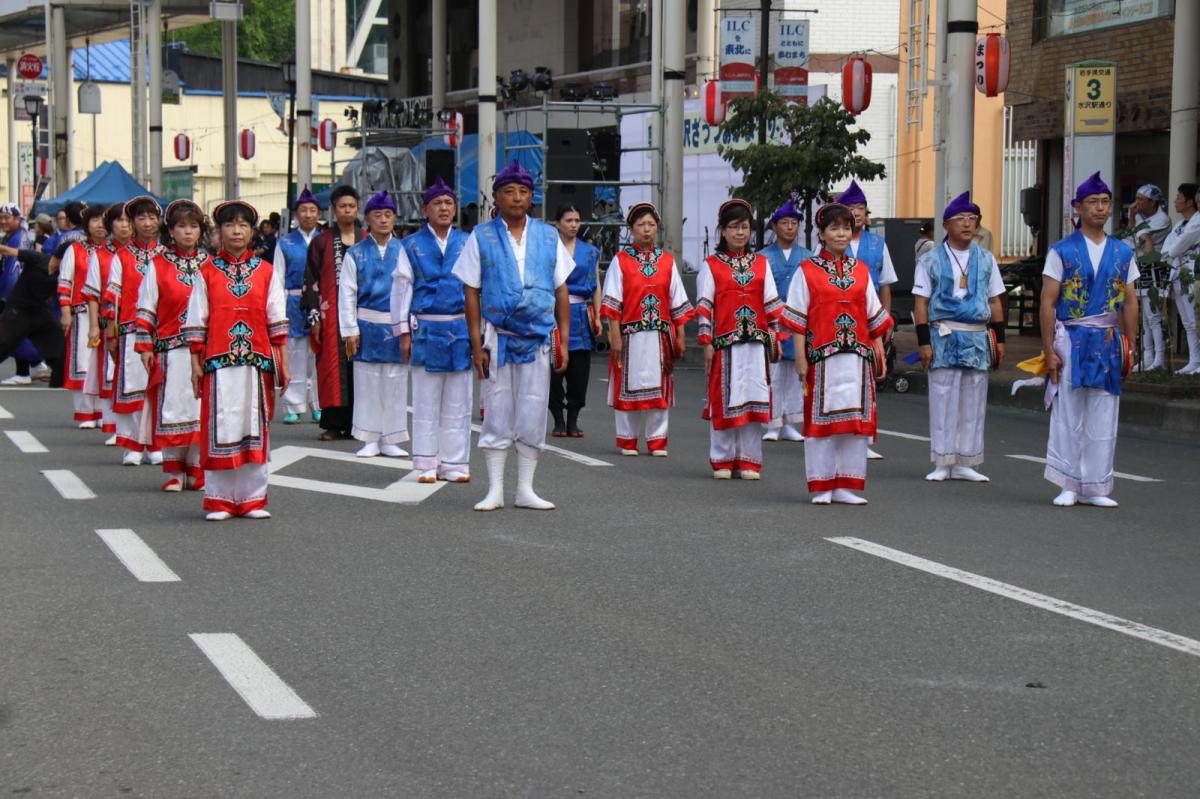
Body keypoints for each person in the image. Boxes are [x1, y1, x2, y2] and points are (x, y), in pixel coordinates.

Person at [452, 160, 573, 511]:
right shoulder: (482, 236)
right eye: (509, 192)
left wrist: (562, 338)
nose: (517, 198)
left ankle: (526, 489)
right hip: (499, 337)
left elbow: (561, 289)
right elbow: (471, 291)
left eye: (523, 192)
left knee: (534, 410)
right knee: (498, 410)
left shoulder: (549, 236)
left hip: (537, 337)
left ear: (531, 197)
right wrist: (477, 345)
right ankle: (495, 489)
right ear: (497, 197)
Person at [781, 202, 893, 504]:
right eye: (834, 228)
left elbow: (873, 316)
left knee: (854, 422)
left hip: (857, 358)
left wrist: (878, 352)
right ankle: (821, 484)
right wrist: (801, 358)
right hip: (822, 357)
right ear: (821, 233)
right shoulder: (807, 271)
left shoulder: (861, 271)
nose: (842, 233)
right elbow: (798, 319)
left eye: (846, 227)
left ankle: (846, 484)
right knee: (822, 422)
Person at [184, 200, 289, 521]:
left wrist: (284, 363)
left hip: (257, 361)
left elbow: (277, 318)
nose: (236, 231)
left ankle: (252, 498)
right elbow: (196, 318)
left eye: (243, 225)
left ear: (252, 231)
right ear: (219, 232)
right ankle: (219, 499)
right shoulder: (207, 272)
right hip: (218, 360)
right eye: (230, 225)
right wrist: (194, 363)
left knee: (253, 424)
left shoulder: (266, 272)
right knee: (222, 424)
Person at [1040, 172, 1139, 507]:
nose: (1100, 208)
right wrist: (1048, 350)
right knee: (1069, 410)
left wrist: (1131, 344)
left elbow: (1130, 300)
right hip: (1072, 336)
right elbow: (1047, 302)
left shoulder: (1123, 252)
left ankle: (1096, 484)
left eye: (1105, 202)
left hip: (1109, 340)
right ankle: (1068, 481)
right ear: (1078, 208)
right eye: (1093, 202)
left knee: (1104, 411)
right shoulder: (1062, 251)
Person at [913, 192, 1007, 482]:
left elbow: (995, 300)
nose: (967, 224)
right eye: (960, 219)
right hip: (944, 333)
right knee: (943, 396)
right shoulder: (930, 260)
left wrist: (1000, 339)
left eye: (972, 219)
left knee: (974, 399)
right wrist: (923, 342)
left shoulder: (987, 259)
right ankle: (943, 460)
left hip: (977, 336)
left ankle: (967, 460)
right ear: (946, 225)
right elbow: (921, 303)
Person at [390, 177, 472, 483]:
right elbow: (401, 289)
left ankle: (455, 462)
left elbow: (478, 287)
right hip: (426, 328)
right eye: (437, 203)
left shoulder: (467, 241)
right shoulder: (410, 244)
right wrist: (403, 334)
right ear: (426, 209)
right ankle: (426, 462)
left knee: (459, 400)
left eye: (449, 203)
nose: (444, 208)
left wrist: (481, 334)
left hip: (461, 328)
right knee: (425, 399)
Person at [697, 198, 783, 479]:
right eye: (733, 227)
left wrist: (778, 336)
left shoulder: (761, 264)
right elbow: (704, 306)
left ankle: (749, 460)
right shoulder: (711, 266)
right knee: (724, 398)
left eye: (744, 227)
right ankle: (722, 459)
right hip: (725, 344)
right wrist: (706, 342)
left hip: (756, 344)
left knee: (753, 399)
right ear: (722, 230)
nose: (739, 233)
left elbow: (772, 304)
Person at [601, 202, 693, 456]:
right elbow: (612, 302)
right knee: (627, 385)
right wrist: (615, 336)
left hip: (660, 337)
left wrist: (681, 336)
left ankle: (657, 440)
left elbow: (678, 302)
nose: (646, 230)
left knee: (659, 386)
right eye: (641, 225)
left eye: (651, 225)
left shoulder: (667, 261)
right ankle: (628, 439)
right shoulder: (621, 261)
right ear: (631, 229)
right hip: (630, 336)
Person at [134, 200, 207, 492]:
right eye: (181, 226)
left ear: (201, 231)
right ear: (171, 231)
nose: (188, 232)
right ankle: (175, 471)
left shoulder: (210, 265)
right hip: (170, 349)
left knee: (200, 407)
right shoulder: (158, 265)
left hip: (203, 350)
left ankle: (198, 469)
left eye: (193, 226)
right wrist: (145, 345)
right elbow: (145, 306)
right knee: (174, 408)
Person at [338, 190, 409, 458]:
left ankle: (390, 438)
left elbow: (411, 289)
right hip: (366, 322)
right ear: (367, 219)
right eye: (377, 215)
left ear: (394, 218)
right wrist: (349, 330)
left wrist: (408, 326)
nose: (383, 220)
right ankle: (369, 436)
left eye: (388, 215)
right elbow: (347, 293)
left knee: (395, 380)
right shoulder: (356, 253)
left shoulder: (404, 250)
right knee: (367, 381)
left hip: (395, 324)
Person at [836, 180, 896, 460]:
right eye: (851, 208)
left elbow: (885, 285)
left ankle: (865, 438)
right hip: (837, 324)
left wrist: (886, 321)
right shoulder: (832, 242)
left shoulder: (878, 244)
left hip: (868, 321)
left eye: (860, 208)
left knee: (868, 381)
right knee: (840, 380)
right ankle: (837, 434)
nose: (856, 213)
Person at [103, 196, 165, 465]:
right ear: (133, 222)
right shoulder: (122, 256)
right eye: (141, 218)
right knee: (133, 386)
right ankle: (134, 444)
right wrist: (110, 333)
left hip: (163, 332)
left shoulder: (166, 256)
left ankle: (156, 444)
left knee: (159, 387)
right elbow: (111, 298)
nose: (147, 223)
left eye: (152, 217)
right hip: (130, 329)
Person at [303, 185, 362, 441]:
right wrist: (315, 316)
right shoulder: (322, 242)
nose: (347, 210)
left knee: (361, 368)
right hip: (331, 316)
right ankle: (334, 423)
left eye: (351, 206)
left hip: (363, 314)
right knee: (332, 369)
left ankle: (360, 424)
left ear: (357, 209)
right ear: (334, 210)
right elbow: (311, 281)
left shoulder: (367, 238)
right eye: (342, 206)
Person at [759, 197, 813, 442]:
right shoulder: (762, 257)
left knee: (795, 372)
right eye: (785, 223)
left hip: (800, 322)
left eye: (794, 222)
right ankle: (772, 423)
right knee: (773, 373)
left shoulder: (809, 256)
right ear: (774, 226)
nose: (790, 227)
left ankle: (791, 422)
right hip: (772, 323)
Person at [549, 203, 602, 438]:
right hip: (552, 312)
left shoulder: (590, 251)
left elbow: (596, 284)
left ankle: (573, 418)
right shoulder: (548, 248)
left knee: (579, 370)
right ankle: (558, 419)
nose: (573, 225)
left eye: (577, 220)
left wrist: (598, 315)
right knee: (553, 368)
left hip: (580, 312)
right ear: (558, 223)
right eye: (568, 220)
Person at [83, 204, 132, 444]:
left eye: (127, 220)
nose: (124, 225)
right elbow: (92, 294)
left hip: (138, 325)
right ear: (110, 224)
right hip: (110, 323)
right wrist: (94, 326)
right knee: (110, 374)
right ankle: (113, 424)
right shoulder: (101, 255)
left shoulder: (145, 255)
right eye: (119, 220)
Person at [56, 204, 108, 427]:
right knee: (83, 362)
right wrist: (66, 311)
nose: (99, 225)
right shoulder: (75, 250)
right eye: (94, 220)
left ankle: (105, 412)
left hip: (108, 314)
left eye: (103, 220)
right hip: (82, 313)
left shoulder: (115, 252)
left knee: (107, 363)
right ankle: (86, 412)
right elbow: (65, 281)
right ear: (86, 224)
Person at [274, 187, 322, 423]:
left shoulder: (325, 240)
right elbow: (277, 278)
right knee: (294, 354)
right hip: (293, 302)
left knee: (319, 356)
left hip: (320, 303)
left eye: (312, 210)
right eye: (303, 210)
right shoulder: (285, 243)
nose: (308, 214)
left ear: (319, 213)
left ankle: (319, 404)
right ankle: (293, 405)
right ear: (296, 214)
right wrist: (278, 311)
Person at [0, 242, 65, 388]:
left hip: (41, 311)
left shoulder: (67, 273)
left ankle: (60, 380)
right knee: (3, 344)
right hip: (18, 310)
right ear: (60, 257)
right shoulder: (38, 258)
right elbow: (6, 250)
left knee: (59, 345)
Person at [0, 202, 51, 385]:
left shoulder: (17, 238)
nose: (3, 221)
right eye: (1, 218)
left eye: (7, 218)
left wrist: (6, 297)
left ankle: (23, 373)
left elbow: (13, 271)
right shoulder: (15, 236)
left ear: (17, 219)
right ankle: (36, 364)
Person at [1126, 184, 1172, 371]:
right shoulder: (1144, 218)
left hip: (1156, 269)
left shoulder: (1161, 219)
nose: (1137, 203)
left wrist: (1135, 217)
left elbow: (1143, 236)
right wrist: (1132, 218)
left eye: (1141, 200)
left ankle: (1159, 359)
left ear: (1153, 202)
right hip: (1143, 268)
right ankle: (1148, 358)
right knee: (1145, 317)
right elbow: (1131, 236)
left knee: (1153, 316)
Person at [1160, 183, 1200, 374]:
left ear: (1190, 201)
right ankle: (1194, 360)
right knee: (1187, 321)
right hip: (1177, 274)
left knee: (1196, 319)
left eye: (1179, 197)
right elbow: (1165, 251)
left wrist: (1176, 248)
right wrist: (1176, 248)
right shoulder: (1179, 225)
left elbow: (1174, 249)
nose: (1175, 201)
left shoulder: (1198, 221)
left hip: (1191, 275)